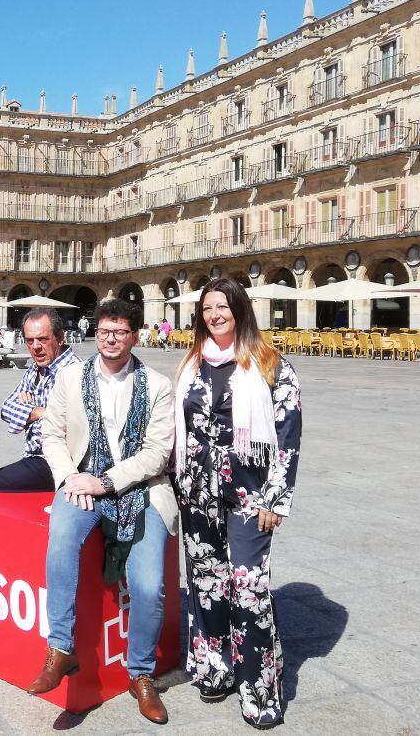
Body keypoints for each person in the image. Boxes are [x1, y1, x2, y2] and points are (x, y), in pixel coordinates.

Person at [26, 299, 176, 726]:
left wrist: (106, 481)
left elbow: (157, 454)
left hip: (141, 490)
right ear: (96, 333)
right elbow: (51, 434)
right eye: (105, 330)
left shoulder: (157, 385)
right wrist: (70, 477)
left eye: (121, 331)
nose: (111, 338)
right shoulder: (70, 378)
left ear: (135, 335)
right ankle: (61, 648)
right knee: (61, 541)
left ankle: (141, 674)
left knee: (149, 586)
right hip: (81, 484)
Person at [175, 278, 301, 729]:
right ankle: (216, 667)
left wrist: (277, 497)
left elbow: (288, 436)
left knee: (248, 589)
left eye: (222, 306)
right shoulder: (190, 363)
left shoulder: (270, 365)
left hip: (250, 495)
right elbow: (180, 430)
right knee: (207, 585)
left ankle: (259, 688)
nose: (214, 315)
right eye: (207, 308)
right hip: (196, 493)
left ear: (240, 310)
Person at [0, 309, 79, 495]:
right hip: (34, 457)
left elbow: (65, 427)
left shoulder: (75, 372)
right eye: (30, 340)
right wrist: (39, 412)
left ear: (60, 337)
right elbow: (5, 409)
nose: (36, 346)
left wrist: (27, 411)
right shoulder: (34, 370)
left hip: (60, 461)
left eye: (43, 339)